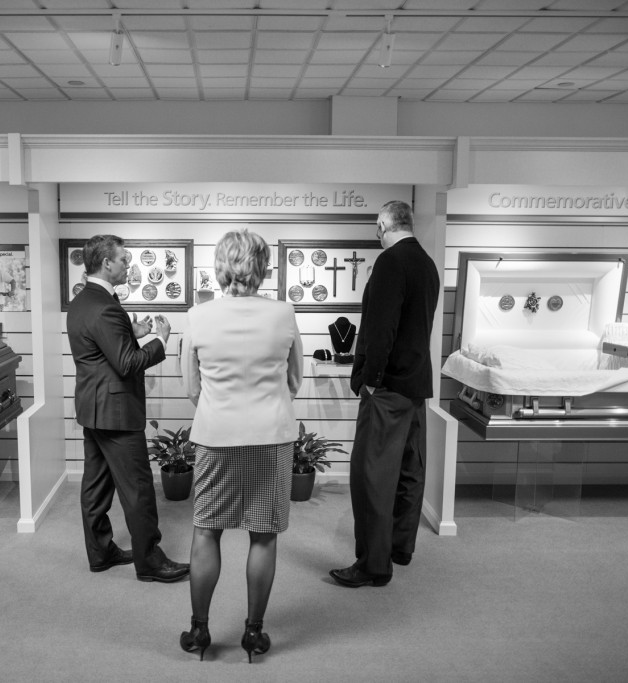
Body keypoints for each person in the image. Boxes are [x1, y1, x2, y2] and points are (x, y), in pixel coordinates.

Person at [178, 229, 304, 662]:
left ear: (219, 267)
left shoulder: (198, 316)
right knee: (264, 537)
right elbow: (295, 380)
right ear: (263, 266)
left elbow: (191, 388)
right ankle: (253, 634)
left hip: (216, 437)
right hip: (271, 437)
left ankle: (198, 632)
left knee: (206, 531)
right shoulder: (284, 313)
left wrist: (220, 402)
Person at [67, 234, 189, 584]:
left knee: (96, 486)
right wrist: (159, 340)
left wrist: (131, 331)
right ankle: (149, 561)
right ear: (106, 263)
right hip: (117, 413)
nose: (128, 266)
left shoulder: (84, 300)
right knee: (138, 489)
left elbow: (102, 349)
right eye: (123, 260)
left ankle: (101, 552)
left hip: (94, 409)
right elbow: (127, 363)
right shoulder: (105, 305)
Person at [330, 200, 440, 588]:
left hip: (388, 387)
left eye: (377, 229)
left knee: (371, 475)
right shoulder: (427, 264)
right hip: (415, 387)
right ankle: (400, 547)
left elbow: (381, 329)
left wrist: (370, 379)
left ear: (384, 225)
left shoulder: (391, 263)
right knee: (410, 471)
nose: (376, 236)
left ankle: (374, 565)